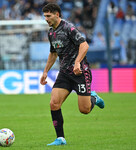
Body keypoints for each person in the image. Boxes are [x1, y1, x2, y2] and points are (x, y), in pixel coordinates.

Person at [40, 3, 105, 146]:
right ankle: (61, 138)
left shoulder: (69, 28)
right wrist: (45, 71)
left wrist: (77, 63)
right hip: (64, 73)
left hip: (80, 72)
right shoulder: (51, 32)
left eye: (48, 16)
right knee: (54, 103)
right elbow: (53, 53)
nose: (46, 19)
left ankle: (93, 97)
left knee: (84, 110)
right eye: (45, 16)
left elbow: (84, 45)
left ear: (57, 14)